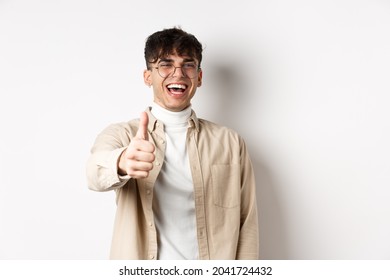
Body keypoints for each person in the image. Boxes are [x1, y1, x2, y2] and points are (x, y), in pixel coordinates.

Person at [86, 27, 259, 260]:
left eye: (188, 65)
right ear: (148, 76)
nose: (178, 74)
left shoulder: (230, 142)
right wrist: (122, 162)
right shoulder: (123, 134)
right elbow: (94, 173)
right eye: (165, 64)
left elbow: (247, 223)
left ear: (199, 77)